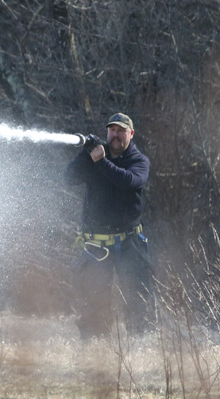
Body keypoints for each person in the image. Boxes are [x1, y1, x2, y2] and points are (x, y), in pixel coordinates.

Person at [65, 112, 155, 339]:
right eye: (112, 130)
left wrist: (101, 161)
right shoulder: (94, 156)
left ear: (131, 134)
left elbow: (128, 181)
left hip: (129, 243)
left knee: (138, 299)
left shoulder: (139, 161)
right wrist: (85, 155)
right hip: (96, 245)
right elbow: (69, 179)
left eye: (121, 130)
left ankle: (141, 347)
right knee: (93, 301)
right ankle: (95, 350)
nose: (116, 135)